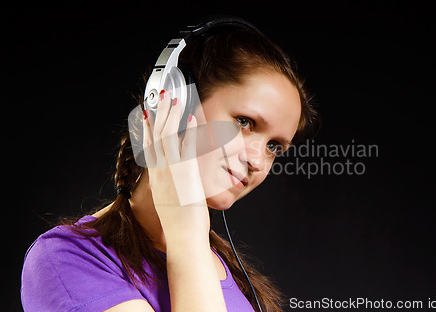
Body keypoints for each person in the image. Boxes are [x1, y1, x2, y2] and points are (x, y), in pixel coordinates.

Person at [21, 18, 320, 311]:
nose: (257, 160)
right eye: (244, 122)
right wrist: (187, 235)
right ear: (176, 102)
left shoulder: (233, 273)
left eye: (273, 147)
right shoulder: (67, 260)